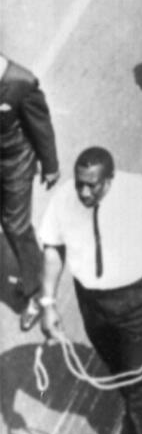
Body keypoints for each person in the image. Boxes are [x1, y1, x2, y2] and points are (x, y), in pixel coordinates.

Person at [38, 146, 142, 434]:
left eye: (93, 185)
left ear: (110, 180)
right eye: (80, 184)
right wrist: (47, 303)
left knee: (140, 380)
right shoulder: (63, 201)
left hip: (139, 300)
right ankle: (139, 403)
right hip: (94, 304)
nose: (84, 192)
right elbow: (53, 248)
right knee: (121, 373)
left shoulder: (139, 191)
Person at [0, 52, 59, 331]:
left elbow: (41, 125)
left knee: (16, 223)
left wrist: (50, 165)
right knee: (8, 220)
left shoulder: (20, 82)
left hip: (16, 161)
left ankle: (37, 291)